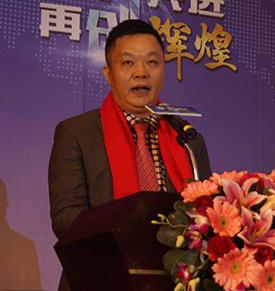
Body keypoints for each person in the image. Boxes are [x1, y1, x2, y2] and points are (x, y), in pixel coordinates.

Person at [47, 19, 212, 291]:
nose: (141, 73)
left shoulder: (187, 137)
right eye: (128, 63)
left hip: (175, 281)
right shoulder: (76, 133)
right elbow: (65, 219)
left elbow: (207, 213)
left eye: (152, 62)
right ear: (108, 73)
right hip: (100, 278)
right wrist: (125, 229)